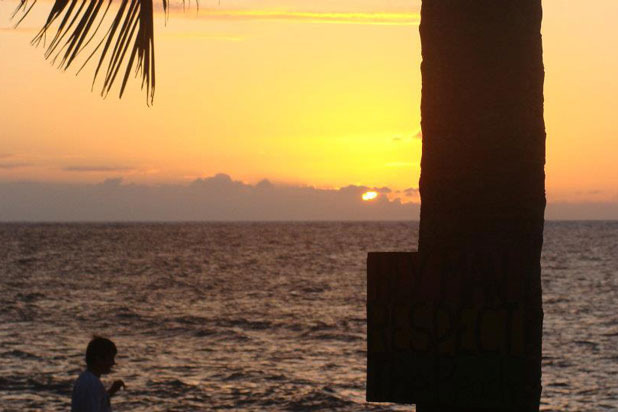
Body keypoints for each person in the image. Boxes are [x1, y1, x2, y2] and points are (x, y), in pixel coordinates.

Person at [71, 336, 126, 412]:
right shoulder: (91, 384)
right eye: (110, 358)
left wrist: (111, 392)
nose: (113, 363)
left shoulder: (87, 380)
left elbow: (96, 402)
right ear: (98, 359)